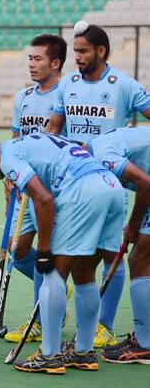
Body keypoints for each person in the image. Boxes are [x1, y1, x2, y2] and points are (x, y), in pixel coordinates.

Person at [0, 134, 125, 374]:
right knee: (84, 272)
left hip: (82, 190)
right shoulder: (31, 143)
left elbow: (44, 198)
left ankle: (49, 355)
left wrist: (45, 250)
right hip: (111, 187)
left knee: (53, 275)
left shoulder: (8, 156)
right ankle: (83, 352)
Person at [46, 21, 150, 347]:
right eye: (74, 51)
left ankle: (104, 325)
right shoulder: (67, 84)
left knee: (111, 253)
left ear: (100, 51)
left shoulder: (125, 85)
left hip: (114, 178)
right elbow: (54, 127)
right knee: (79, 254)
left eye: (82, 51)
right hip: (76, 179)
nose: (76, 57)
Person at [4, 34, 71, 343]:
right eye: (29, 58)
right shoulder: (23, 97)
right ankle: (57, 286)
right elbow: (17, 139)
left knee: (46, 250)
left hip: (54, 189)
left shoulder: (67, 96)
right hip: (25, 186)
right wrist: (10, 176)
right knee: (17, 252)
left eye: (38, 59)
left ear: (55, 63)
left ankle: (41, 319)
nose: (31, 64)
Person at [88, 127, 150, 364]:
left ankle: (145, 345)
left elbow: (145, 183)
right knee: (142, 259)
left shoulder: (103, 154)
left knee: (139, 260)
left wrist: (134, 224)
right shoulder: (100, 149)